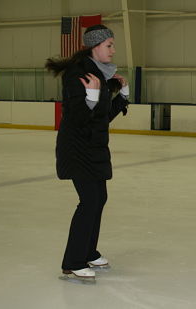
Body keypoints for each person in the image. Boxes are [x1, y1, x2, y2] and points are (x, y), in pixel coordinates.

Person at [45, 24, 129, 282]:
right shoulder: (78, 74)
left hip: (95, 148)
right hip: (78, 148)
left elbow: (100, 119)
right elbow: (76, 118)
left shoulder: (99, 75)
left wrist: (122, 98)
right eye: (109, 45)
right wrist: (90, 99)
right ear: (95, 46)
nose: (113, 50)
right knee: (90, 201)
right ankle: (73, 261)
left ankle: (89, 251)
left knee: (99, 198)